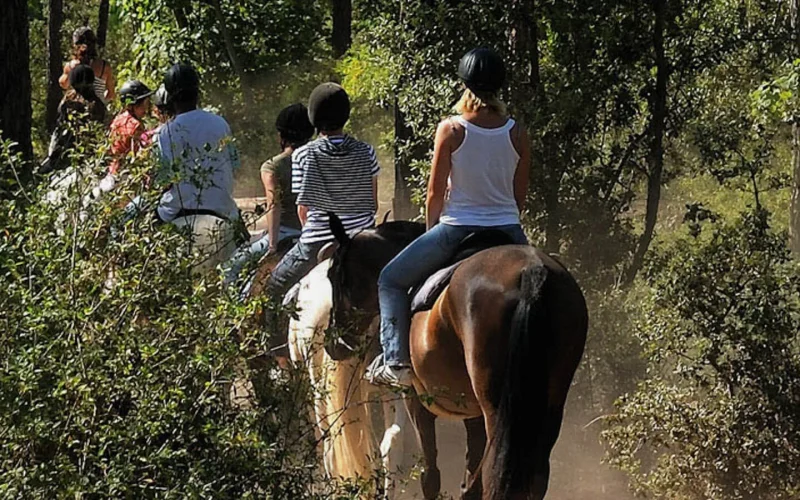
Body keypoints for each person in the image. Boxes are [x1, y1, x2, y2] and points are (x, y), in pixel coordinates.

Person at [365, 47, 531, 387]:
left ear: (464, 84)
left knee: (391, 280)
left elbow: (434, 194)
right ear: (499, 87)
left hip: (457, 229)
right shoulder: (517, 132)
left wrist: (431, 232)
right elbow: (519, 196)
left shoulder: (452, 129)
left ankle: (396, 362)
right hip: (509, 231)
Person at [263, 83, 379, 342]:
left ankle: (277, 351)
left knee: (273, 287)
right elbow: (372, 203)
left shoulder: (304, 154)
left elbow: (303, 209)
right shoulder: (367, 151)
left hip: (317, 243)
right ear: (346, 116)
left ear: (314, 118)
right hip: (363, 242)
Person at [222, 103, 314, 285]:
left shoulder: (272, 166)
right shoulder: (319, 157)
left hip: (285, 233)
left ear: (281, 134)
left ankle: (236, 309)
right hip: (316, 231)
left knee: (230, 268)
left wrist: (272, 246)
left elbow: (274, 206)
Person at [154, 63, 239, 225]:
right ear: (197, 92)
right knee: (244, 243)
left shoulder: (165, 132)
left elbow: (163, 180)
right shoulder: (220, 123)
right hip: (223, 208)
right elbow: (234, 165)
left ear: (170, 96)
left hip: (178, 210)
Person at [40, 64, 107, 174]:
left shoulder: (67, 100)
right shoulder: (97, 105)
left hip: (63, 154)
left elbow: (59, 126)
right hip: (88, 157)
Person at [108, 80, 154, 176]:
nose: (146, 108)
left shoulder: (118, 119)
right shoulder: (135, 126)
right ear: (131, 105)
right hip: (125, 172)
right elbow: (139, 156)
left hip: (113, 169)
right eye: (143, 104)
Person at [59, 27, 115, 104]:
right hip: (96, 111)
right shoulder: (104, 66)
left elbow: (63, 84)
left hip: (76, 110)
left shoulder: (70, 66)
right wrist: (101, 101)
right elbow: (111, 94)